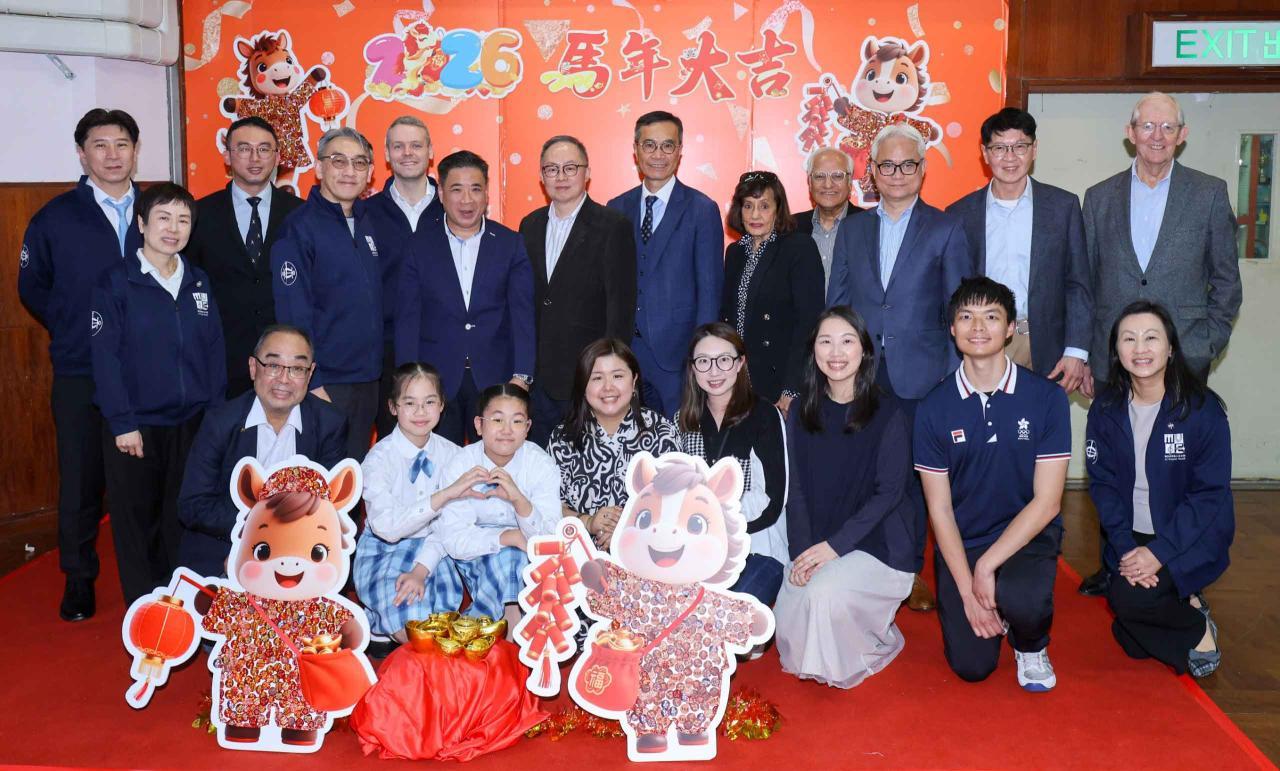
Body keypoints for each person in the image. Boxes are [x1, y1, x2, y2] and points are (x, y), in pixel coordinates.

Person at [1077, 91, 1242, 596]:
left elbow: (1226, 282)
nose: (1157, 136)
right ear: (1130, 133)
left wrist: (1204, 344)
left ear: (1182, 135)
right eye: (1147, 126)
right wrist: (1089, 355)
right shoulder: (1099, 197)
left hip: (1184, 357)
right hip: (1115, 359)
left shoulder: (1209, 193)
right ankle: (1115, 562)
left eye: (1167, 127)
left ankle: (1176, 563)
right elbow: (1086, 284)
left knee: (1177, 469)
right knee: (1115, 462)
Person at [827, 122, 974, 612]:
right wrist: (836, 364)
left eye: (907, 164)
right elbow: (838, 302)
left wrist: (955, 377)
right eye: (886, 164)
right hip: (862, 373)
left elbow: (959, 309)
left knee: (912, 477)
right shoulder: (853, 228)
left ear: (922, 169)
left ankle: (910, 571)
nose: (896, 173)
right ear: (871, 170)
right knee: (861, 471)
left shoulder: (946, 228)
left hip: (923, 375)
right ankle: (862, 559)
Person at [913, 277, 1071, 692]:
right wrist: (969, 592)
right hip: (964, 540)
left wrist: (987, 567)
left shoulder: (1047, 398)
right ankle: (989, 605)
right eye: (967, 316)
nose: (978, 327)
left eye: (991, 316)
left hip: (1027, 535)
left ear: (1010, 328)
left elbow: (1048, 502)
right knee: (972, 666)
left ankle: (1030, 643)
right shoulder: (933, 408)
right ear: (952, 328)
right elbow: (940, 510)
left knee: (1022, 599)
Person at [19, 108, 144, 621]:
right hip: (81, 370)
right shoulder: (55, 217)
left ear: (136, 151)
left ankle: (152, 577)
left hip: (146, 370)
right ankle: (78, 578)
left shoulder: (160, 209)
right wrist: (77, 327)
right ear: (81, 153)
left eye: (122, 145)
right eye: (100, 145)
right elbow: (33, 287)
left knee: (143, 479)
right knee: (81, 479)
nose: (112, 155)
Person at [91, 182, 227, 604]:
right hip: (137, 427)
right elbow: (105, 359)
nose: (173, 228)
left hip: (191, 424)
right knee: (136, 523)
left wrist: (216, 417)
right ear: (142, 224)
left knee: (180, 518)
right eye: (163, 218)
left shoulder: (199, 281)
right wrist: (122, 423)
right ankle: (144, 611)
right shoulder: (115, 282)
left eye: (183, 220)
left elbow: (214, 351)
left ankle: (180, 606)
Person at [1085, 301, 1232, 677]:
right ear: (1116, 351)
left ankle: (1197, 630)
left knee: (1127, 605)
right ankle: (1187, 607)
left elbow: (1208, 495)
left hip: (1187, 534)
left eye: (1151, 338)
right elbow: (1102, 486)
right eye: (1128, 339)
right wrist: (1126, 548)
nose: (1140, 349)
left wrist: (1159, 552)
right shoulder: (1105, 409)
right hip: (1132, 534)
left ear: (1170, 348)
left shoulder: (1202, 410)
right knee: (1131, 640)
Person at [775, 307, 919, 688]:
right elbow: (796, 490)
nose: (836, 352)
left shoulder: (888, 412)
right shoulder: (800, 412)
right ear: (813, 351)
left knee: (822, 595)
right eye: (826, 342)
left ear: (864, 351)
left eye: (847, 341)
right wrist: (803, 554)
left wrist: (833, 548)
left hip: (879, 544)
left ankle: (879, 641)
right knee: (793, 608)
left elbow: (889, 494)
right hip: (822, 541)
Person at [177, 324, 348, 577]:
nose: (284, 379)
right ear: (253, 367)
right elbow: (193, 504)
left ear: (310, 373)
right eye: (273, 365)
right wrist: (255, 536)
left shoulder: (329, 423)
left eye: (297, 368)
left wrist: (279, 537)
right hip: (226, 546)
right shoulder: (220, 422)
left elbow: (333, 507)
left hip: (302, 551)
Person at [946, 107, 1092, 393]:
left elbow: (1078, 284)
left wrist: (1077, 351)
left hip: (1045, 345)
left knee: (1040, 420)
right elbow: (952, 291)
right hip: (983, 341)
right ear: (985, 153)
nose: (1010, 157)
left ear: (1034, 149)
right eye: (999, 148)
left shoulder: (1063, 207)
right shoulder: (960, 214)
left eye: (1020, 147)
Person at [395, 151, 535, 445]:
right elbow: (407, 319)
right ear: (441, 194)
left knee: (495, 465)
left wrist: (521, 376)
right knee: (440, 464)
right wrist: (409, 382)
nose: (467, 200)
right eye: (457, 189)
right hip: (434, 383)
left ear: (487, 193)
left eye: (476, 189)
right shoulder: (418, 246)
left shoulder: (510, 243)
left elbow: (522, 316)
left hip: (496, 378)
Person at [353, 363, 489, 643]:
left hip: (436, 547)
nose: (420, 411)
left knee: (437, 625)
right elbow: (387, 528)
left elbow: (450, 526)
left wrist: (421, 568)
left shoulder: (453, 455)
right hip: (385, 547)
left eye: (429, 402)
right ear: (393, 407)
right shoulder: (378, 459)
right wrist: (444, 495)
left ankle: (382, 623)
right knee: (413, 624)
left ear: (442, 405)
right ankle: (381, 620)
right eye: (409, 403)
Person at [272, 127, 383, 462]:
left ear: (370, 172)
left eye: (359, 163)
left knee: (354, 475)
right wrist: (313, 381)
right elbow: (293, 314)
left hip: (367, 380)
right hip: (325, 384)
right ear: (319, 168)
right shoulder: (299, 227)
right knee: (321, 480)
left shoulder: (366, 222)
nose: (349, 171)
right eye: (338, 161)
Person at [520, 136, 636, 446]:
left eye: (570, 168)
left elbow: (620, 307)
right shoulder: (529, 225)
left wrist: (607, 374)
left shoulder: (612, 225)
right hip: (537, 378)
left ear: (587, 173)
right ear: (541, 176)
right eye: (552, 169)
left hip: (587, 375)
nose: (561, 176)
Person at [607, 111, 724, 417]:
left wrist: (701, 356)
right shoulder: (616, 208)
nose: (658, 155)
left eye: (667, 146)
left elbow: (709, 290)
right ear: (636, 150)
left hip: (678, 356)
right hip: (624, 354)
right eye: (649, 145)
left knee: (680, 438)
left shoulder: (702, 209)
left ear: (680, 150)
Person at [423, 384, 561, 631]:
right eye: (497, 420)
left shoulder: (540, 464)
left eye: (517, 421)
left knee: (517, 559)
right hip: (475, 553)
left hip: (529, 555)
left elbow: (550, 539)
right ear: (479, 425)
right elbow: (454, 540)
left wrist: (520, 501)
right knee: (511, 557)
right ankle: (499, 631)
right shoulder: (461, 465)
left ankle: (490, 631)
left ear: (528, 428)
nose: (507, 430)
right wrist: (507, 537)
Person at [186, 116, 304, 398]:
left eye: (264, 149)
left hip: (285, 362)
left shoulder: (301, 215)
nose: (255, 158)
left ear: (277, 157)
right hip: (221, 359)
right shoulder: (199, 215)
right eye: (244, 148)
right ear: (227, 155)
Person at [676, 322, 788, 606]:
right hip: (695, 547)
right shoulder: (684, 420)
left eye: (724, 360)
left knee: (726, 613)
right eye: (703, 361)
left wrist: (712, 520)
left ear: (740, 363)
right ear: (692, 368)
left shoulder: (764, 415)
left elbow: (771, 502)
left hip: (756, 546)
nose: (714, 371)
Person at [547, 338, 680, 549]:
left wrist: (629, 529)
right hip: (580, 554)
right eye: (596, 378)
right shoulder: (562, 438)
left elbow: (679, 502)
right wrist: (588, 522)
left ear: (634, 381)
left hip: (649, 552)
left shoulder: (662, 433)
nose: (608, 387)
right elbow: (547, 506)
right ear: (583, 386)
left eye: (617, 376)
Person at [364, 116, 444, 439]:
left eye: (416, 145)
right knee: (391, 446)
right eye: (398, 146)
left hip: (446, 349)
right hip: (386, 353)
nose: (407, 153)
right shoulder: (364, 213)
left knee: (447, 448)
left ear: (430, 151)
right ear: (386, 154)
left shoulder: (453, 208)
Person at [720, 170, 824, 411]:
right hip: (738, 380)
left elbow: (809, 323)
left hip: (780, 382)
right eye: (748, 206)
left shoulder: (798, 248)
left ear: (778, 209)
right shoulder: (735, 252)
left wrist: (792, 388)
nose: (755, 215)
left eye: (764, 206)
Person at [793, 147, 862, 293]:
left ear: (850, 182)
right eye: (819, 176)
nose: (828, 184)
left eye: (837, 176)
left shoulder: (870, 226)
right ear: (809, 182)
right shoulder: (790, 228)